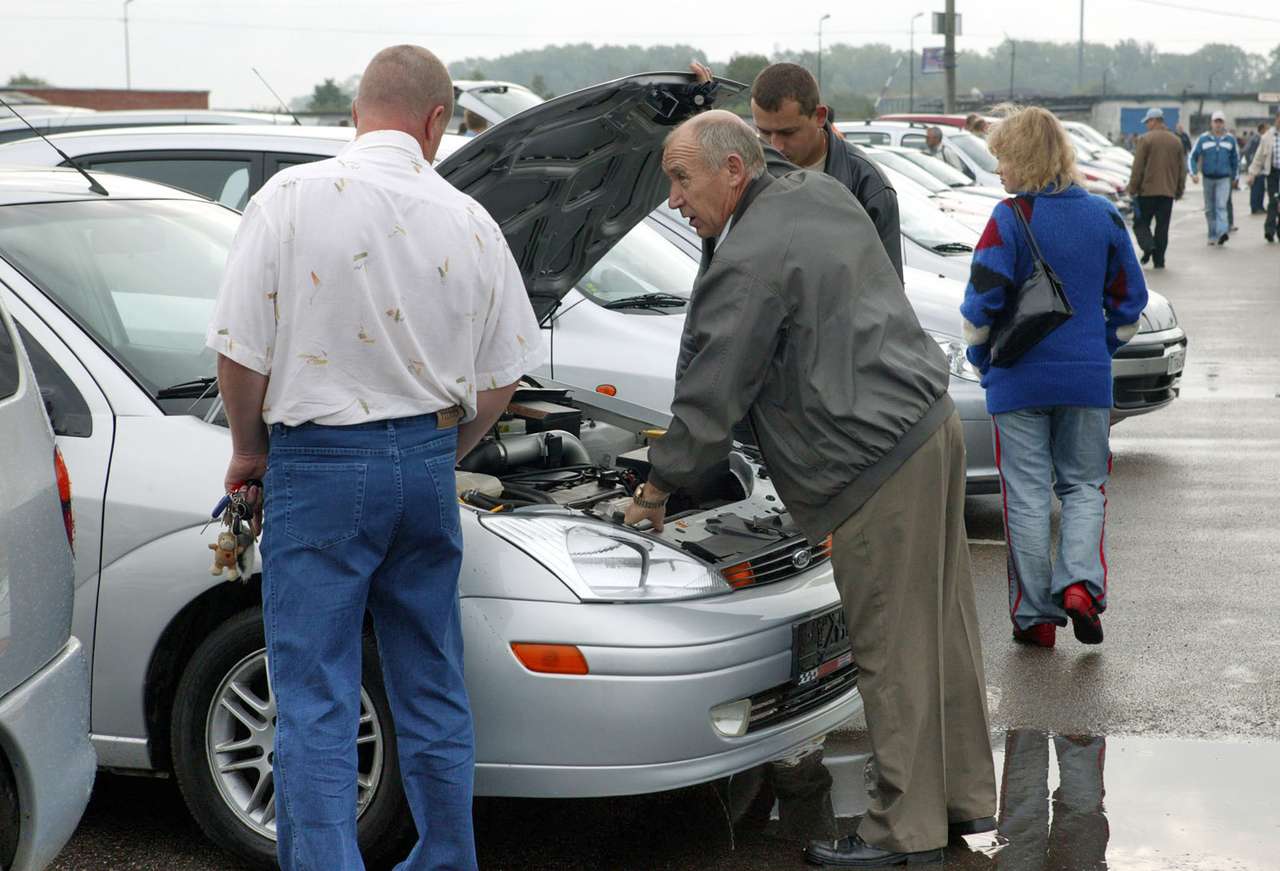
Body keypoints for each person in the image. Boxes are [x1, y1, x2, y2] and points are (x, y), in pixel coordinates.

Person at [625, 110, 997, 868]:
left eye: (681, 178)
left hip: (874, 457)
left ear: (734, 171)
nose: (673, 198)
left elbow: (713, 387)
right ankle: (956, 798)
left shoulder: (752, 255)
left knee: (890, 642)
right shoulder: (816, 194)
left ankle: (902, 830)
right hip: (928, 425)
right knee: (940, 629)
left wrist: (658, 487)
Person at [208, 44, 545, 871]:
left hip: (320, 467)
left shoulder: (292, 197)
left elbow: (240, 350)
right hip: (425, 466)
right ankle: (446, 859)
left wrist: (249, 448)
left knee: (317, 695)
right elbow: (503, 372)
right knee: (430, 681)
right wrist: (441, 447)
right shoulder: (470, 218)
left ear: (356, 113)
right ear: (437, 120)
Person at [960, 106, 1148, 649]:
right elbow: (1129, 307)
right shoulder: (1103, 216)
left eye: (1002, 159)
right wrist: (1098, 346)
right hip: (1087, 379)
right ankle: (1082, 587)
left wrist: (983, 361)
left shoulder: (1009, 218)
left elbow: (981, 308)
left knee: (1026, 495)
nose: (998, 171)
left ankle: (1035, 617)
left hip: (1019, 381)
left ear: (1023, 159)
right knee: (1085, 486)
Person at [746, 61, 903, 280]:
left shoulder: (867, 185)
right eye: (763, 132)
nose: (776, 146)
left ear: (820, 116)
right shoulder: (748, 174)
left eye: (788, 133)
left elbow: (888, 291)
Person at [1126, 107, 1186, 269]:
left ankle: (1148, 246)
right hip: (1167, 193)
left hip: (1147, 192)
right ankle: (1159, 261)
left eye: (1148, 122)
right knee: (1162, 227)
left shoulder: (1145, 140)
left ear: (1154, 121)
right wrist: (1179, 189)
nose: (1147, 125)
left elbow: (1137, 167)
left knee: (1141, 223)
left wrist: (1132, 188)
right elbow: (1182, 169)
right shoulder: (1176, 141)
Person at [1187, 111, 1239, 246]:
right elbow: (1192, 156)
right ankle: (1212, 234)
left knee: (1221, 206)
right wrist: (1193, 173)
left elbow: (1235, 160)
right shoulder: (1203, 139)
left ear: (1224, 123)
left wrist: (1235, 177)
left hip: (1224, 179)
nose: (1218, 124)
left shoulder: (1230, 139)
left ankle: (1222, 232)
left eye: (1220, 121)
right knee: (1210, 208)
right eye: (1216, 121)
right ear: (1211, 123)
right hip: (1208, 178)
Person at [1245, 110, 1280, 243]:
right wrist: (1252, 174)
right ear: (1276, 119)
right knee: (1273, 201)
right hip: (1272, 173)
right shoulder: (1267, 136)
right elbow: (1258, 157)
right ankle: (1269, 231)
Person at [1246, 123, 1268, 215]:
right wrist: (1252, 166)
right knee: (1256, 188)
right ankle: (1256, 207)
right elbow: (1252, 153)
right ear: (1262, 129)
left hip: (1259, 168)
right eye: (1266, 129)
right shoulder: (1258, 139)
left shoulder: (1255, 138)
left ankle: (1259, 206)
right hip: (1257, 168)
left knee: (1260, 188)